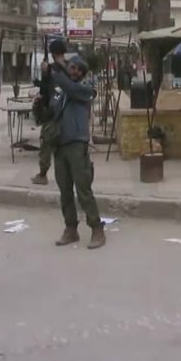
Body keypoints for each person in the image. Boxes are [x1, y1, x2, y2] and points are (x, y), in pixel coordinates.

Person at [50, 56, 105, 250]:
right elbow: (52, 111)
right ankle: (70, 228)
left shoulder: (84, 89)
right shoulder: (61, 92)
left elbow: (71, 88)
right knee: (65, 191)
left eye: (73, 68)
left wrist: (58, 72)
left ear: (80, 72)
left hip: (76, 143)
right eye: (69, 67)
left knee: (83, 190)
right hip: (59, 144)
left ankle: (97, 228)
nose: (69, 70)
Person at [31, 40, 68, 185]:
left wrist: (44, 73)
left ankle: (42, 175)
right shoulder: (70, 67)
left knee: (46, 144)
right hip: (68, 113)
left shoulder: (50, 69)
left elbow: (45, 90)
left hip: (53, 113)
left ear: (52, 53)